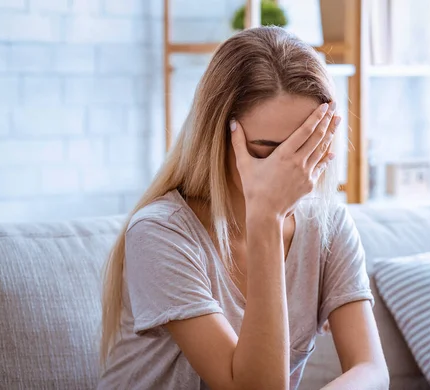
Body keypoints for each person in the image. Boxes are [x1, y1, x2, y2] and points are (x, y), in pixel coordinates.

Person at [98, 26, 388, 390]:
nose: (291, 169)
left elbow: (372, 370)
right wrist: (266, 218)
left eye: (305, 148)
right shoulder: (160, 233)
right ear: (217, 137)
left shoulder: (326, 224)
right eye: (266, 151)